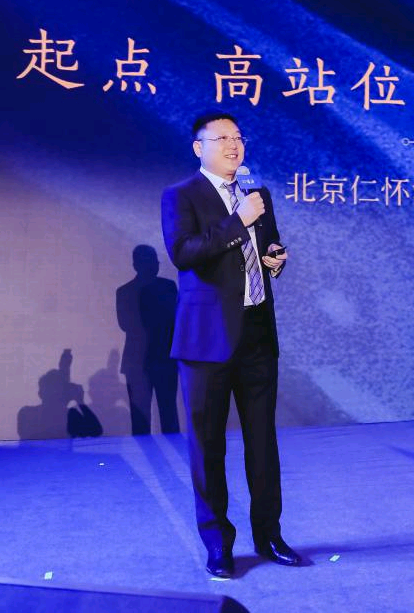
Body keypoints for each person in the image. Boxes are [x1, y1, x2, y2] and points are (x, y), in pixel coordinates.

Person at [161, 110, 302, 579]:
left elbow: (269, 244)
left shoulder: (257, 195)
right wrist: (238, 222)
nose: (233, 145)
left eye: (237, 137)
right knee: (208, 447)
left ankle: (270, 535)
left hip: (257, 334)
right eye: (221, 138)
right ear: (198, 147)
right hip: (206, 343)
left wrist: (274, 257)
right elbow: (183, 253)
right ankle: (218, 544)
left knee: (263, 443)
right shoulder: (181, 195)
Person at [117, 245, 180, 436]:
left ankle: (170, 453)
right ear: (136, 264)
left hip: (159, 360)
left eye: (155, 261)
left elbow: (177, 318)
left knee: (166, 415)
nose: (154, 265)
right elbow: (126, 324)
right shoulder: (126, 291)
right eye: (151, 261)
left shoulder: (167, 287)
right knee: (142, 418)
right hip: (143, 362)